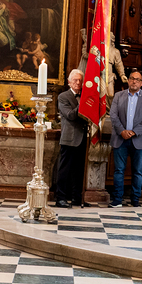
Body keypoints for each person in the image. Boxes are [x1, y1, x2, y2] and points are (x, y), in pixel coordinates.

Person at [109, 70, 142, 208]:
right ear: (128, 80)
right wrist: (122, 131)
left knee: (138, 171)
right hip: (120, 138)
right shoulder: (118, 96)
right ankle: (117, 199)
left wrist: (134, 132)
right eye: (132, 78)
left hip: (139, 139)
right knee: (119, 170)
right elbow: (113, 115)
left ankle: (135, 200)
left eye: (137, 79)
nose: (134, 81)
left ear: (141, 83)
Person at [54, 69, 89, 208]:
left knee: (79, 170)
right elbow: (70, 115)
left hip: (83, 137)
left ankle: (77, 198)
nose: (78, 83)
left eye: (80, 80)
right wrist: (83, 103)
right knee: (65, 169)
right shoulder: (63, 97)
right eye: (75, 80)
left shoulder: (84, 95)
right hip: (69, 138)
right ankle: (60, 198)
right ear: (69, 82)